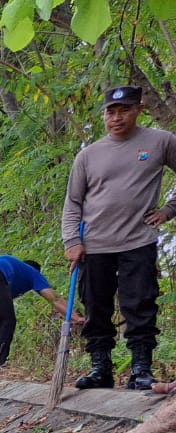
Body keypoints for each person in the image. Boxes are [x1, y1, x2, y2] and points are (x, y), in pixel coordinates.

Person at [62, 85, 176, 391]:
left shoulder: (161, 141)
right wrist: (72, 241)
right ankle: (101, 367)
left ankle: (141, 367)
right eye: (111, 111)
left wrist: (169, 209)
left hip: (138, 240)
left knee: (139, 304)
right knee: (96, 306)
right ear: (103, 115)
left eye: (124, 109)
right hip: (94, 244)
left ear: (139, 109)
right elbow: (73, 202)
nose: (117, 117)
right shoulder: (88, 155)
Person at [0, 255, 79, 374]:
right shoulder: (32, 272)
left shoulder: (14, 268)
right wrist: (76, 317)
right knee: (6, 322)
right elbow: (55, 299)